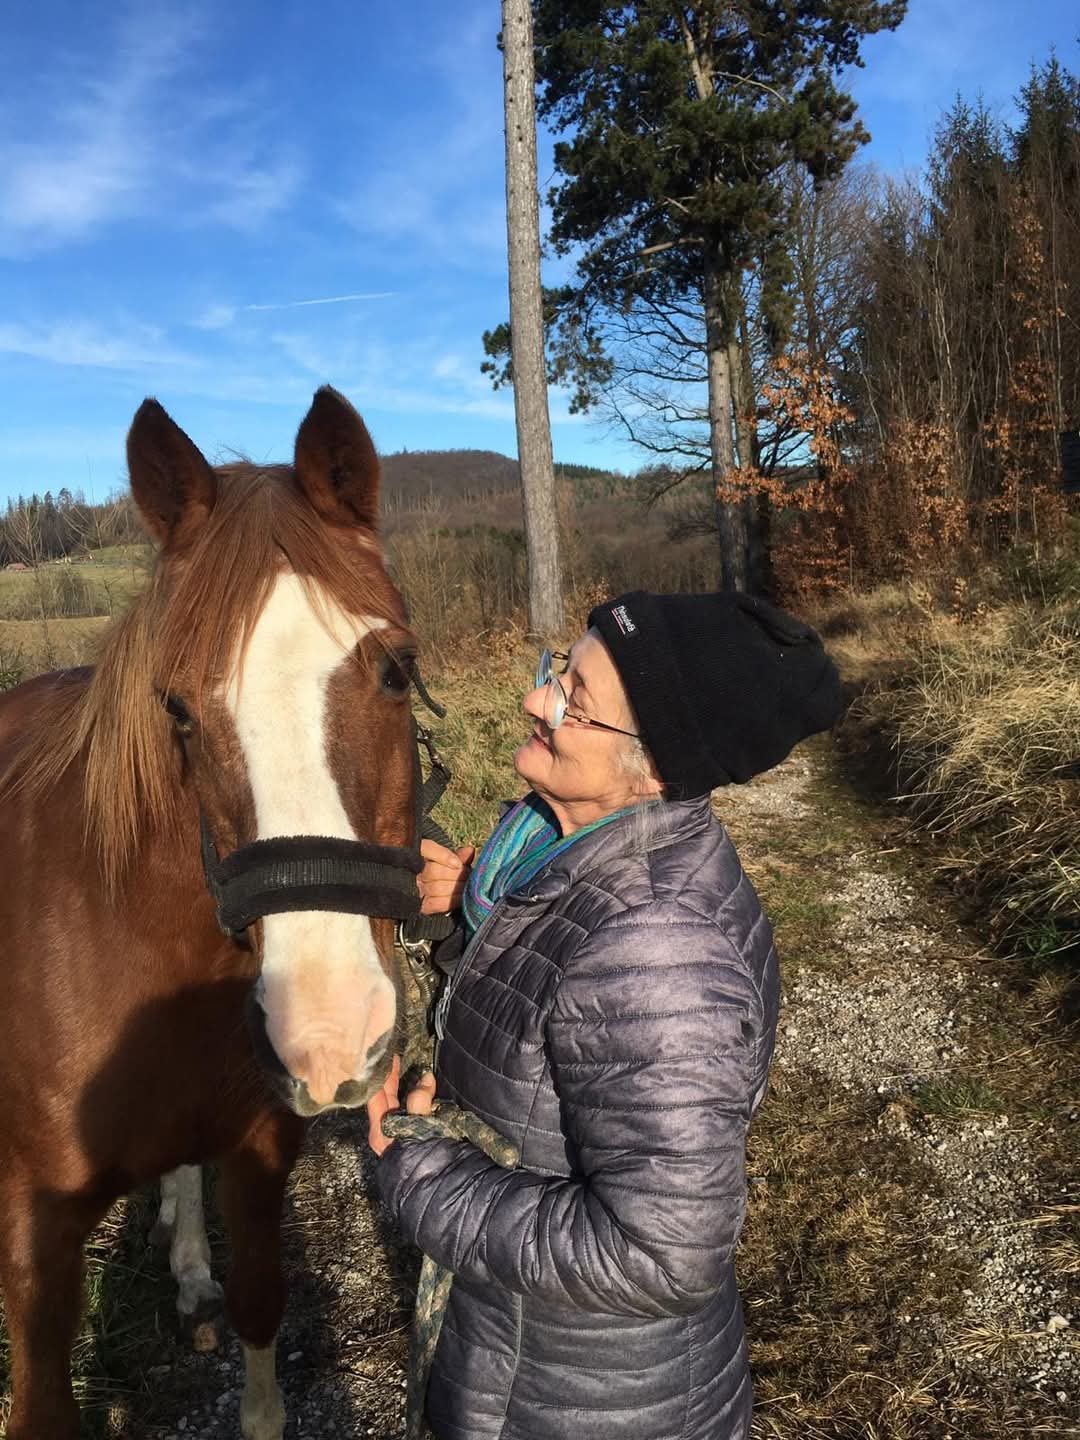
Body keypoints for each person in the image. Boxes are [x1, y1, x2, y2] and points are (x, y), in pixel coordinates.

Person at [367, 589, 842, 1440]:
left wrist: (424, 1174)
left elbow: (660, 1255)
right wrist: (468, 923)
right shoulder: (554, 852)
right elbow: (553, 1005)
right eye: (558, 671)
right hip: (528, 1361)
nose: (533, 700)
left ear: (654, 768)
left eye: (573, 702)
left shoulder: (659, 946)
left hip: (592, 1404)